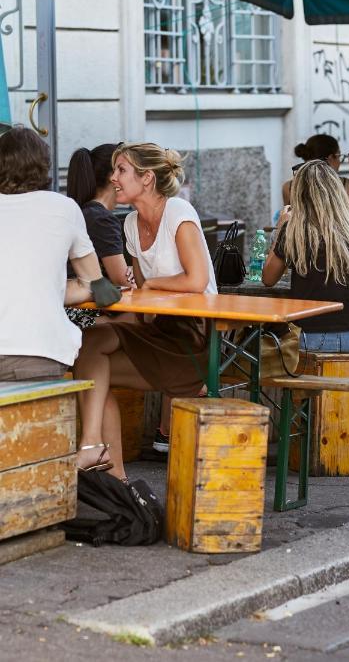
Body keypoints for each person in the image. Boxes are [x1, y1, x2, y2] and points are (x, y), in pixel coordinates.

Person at [74, 142, 217, 480]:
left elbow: (196, 280)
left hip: (194, 341)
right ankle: (109, 466)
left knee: (93, 365)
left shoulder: (178, 212)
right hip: (156, 332)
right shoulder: (130, 225)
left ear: (147, 178)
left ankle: (97, 452)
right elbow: (140, 298)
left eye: (121, 170)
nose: (113, 178)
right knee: (90, 348)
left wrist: (150, 287)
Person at [0, 126, 103, 384]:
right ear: (45, 166)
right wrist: (46, 289)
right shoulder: (63, 208)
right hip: (37, 351)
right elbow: (94, 284)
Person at [262, 160, 349, 352]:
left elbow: (268, 279)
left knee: (261, 335)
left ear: (299, 194)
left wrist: (282, 226)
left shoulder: (295, 231)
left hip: (312, 335)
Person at [66, 143, 133, 287]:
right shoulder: (102, 219)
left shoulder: (85, 213)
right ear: (113, 176)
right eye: (123, 170)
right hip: (84, 307)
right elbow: (123, 282)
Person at [281, 133, 349, 217]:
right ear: (330, 158)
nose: (339, 161)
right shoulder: (346, 186)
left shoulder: (289, 187)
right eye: (339, 156)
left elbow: (287, 223)